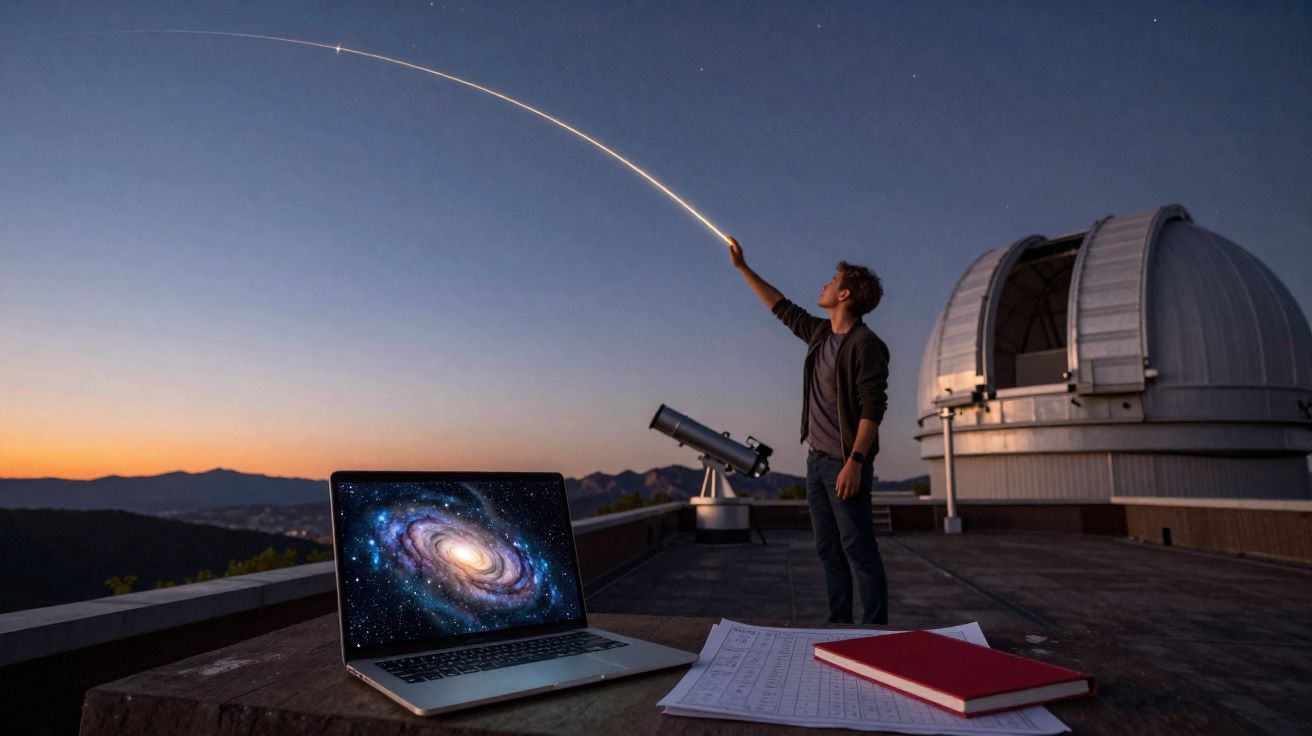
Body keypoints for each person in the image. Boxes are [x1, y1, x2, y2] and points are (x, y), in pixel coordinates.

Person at [727, 236, 890, 624]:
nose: (824, 285)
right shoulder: (819, 333)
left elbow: (873, 408)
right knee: (827, 549)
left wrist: (855, 461)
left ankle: (874, 631)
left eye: (831, 281)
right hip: (816, 462)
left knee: (859, 550)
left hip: (844, 463)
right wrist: (743, 268)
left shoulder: (866, 344)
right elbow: (780, 306)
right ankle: (839, 624)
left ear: (845, 293)